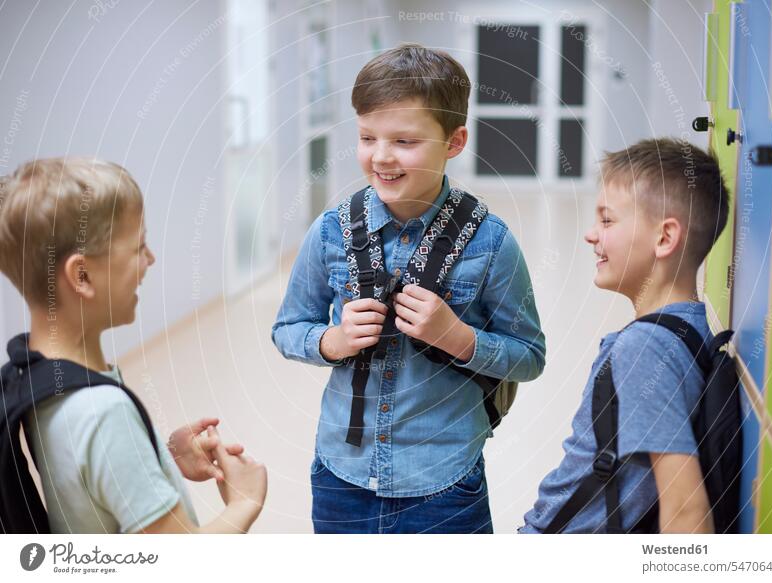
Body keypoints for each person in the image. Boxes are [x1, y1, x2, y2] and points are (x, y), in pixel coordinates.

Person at [272, 44, 546, 534]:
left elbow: (530, 355)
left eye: (404, 140)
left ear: (454, 141)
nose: (381, 156)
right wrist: (331, 341)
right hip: (341, 475)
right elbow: (288, 328)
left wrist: (457, 337)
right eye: (367, 136)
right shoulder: (331, 232)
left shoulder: (491, 242)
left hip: (444, 482)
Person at [0, 158, 267, 533]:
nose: (151, 259)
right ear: (82, 275)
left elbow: (87, 485)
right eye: (139, 246)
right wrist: (244, 502)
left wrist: (158, 460)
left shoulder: (32, 374)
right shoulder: (103, 413)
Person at [520, 138, 729, 533]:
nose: (590, 234)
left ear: (665, 238)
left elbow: (685, 509)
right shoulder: (690, 329)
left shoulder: (645, 347)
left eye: (607, 220)